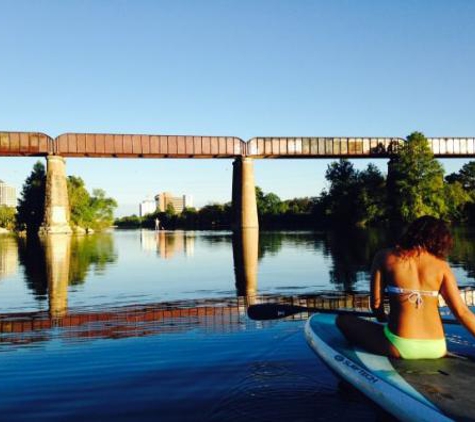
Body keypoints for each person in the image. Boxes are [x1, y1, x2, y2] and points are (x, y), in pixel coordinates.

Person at [336, 216, 475, 359]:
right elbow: (462, 312)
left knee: (343, 320)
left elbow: (376, 305)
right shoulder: (442, 266)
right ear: (440, 239)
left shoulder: (384, 257)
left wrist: (384, 319)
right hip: (437, 347)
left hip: (401, 346)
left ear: (411, 233)